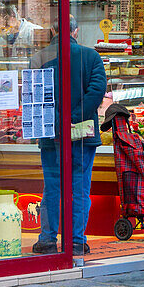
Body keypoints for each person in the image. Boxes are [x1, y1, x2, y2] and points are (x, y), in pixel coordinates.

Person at [31, 15, 107, 256]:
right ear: (75, 32)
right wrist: (75, 117)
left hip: (50, 134)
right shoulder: (91, 56)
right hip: (83, 135)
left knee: (52, 186)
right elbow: (97, 91)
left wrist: (57, 120)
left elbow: (35, 96)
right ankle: (75, 240)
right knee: (80, 186)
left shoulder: (40, 57)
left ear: (53, 31)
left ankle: (47, 240)